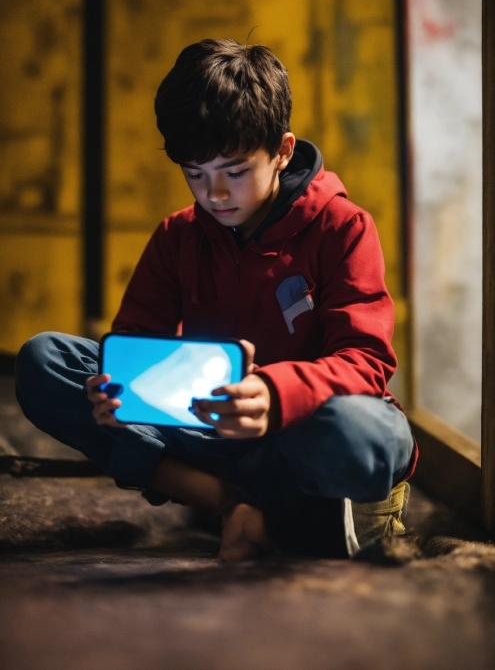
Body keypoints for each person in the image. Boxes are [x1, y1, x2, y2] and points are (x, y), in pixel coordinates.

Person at [15, 39, 417, 560]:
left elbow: (366, 363)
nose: (216, 195)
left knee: (364, 432)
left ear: (283, 151)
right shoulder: (177, 235)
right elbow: (136, 342)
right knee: (46, 360)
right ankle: (232, 505)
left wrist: (273, 394)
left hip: (297, 434)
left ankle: (274, 515)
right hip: (209, 437)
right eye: (195, 175)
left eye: (235, 171)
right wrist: (118, 392)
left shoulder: (344, 228)